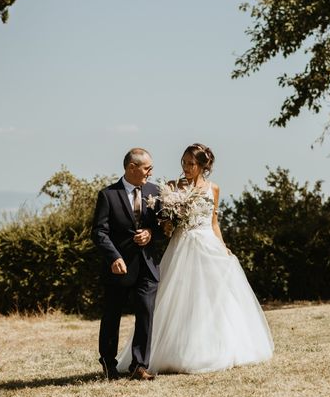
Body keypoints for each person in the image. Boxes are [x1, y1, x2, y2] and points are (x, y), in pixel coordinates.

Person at [117, 143, 274, 374]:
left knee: (213, 300)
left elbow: (214, 223)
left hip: (207, 245)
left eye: (191, 164)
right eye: (183, 162)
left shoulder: (214, 189)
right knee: (177, 299)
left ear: (202, 166)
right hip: (181, 246)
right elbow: (165, 225)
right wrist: (168, 222)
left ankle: (216, 349)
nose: (186, 167)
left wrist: (224, 247)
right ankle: (167, 353)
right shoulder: (172, 187)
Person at [91, 148, 163, 381]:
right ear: (131, 167)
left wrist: (151, 233)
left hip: (147, 264)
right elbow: (99, 232)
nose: (150, 173)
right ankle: (108, 365)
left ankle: (139, 365)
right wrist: (114, 257)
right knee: (112, 315)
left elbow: (165, 227)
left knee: (145, 312)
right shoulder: (108, 195)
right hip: (119, 267)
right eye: (147, 168)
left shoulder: (156, 191)